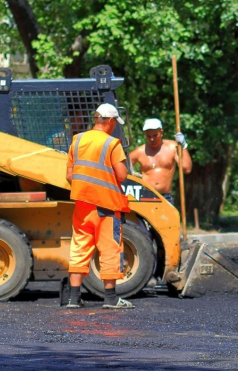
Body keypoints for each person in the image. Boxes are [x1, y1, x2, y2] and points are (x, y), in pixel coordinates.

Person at [65, 103, 134, 309]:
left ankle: (74, 299)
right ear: (110, 121)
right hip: (105, 207)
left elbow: (70, 175)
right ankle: (111, 299)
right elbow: (122, 175)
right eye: (115, 124)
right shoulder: (112, 144)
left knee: (79, 248)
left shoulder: (77, 140)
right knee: (110, 249)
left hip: (82, 205)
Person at [128, 118, 192, 205]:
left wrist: (183, 146)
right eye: (148, 136)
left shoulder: (172, 147)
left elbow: (186, 168)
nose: (152, 139)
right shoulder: (140, 151)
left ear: (161, 132)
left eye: (155, 135)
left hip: (165, 198)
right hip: (145, 197)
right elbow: (121, 165)